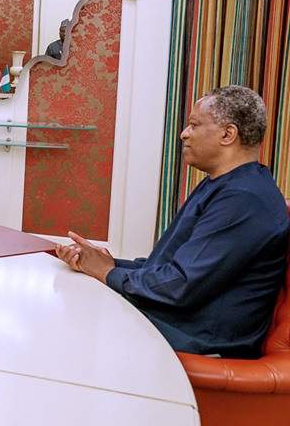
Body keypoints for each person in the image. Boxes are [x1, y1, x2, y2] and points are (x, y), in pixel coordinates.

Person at [55, 85, 288, 358]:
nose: (184, 134)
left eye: (193, 125)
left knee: (71, 323)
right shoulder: (227, 185)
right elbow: (168, 267)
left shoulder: (244, 199)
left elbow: (180, 285)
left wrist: (107, 272)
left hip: (198, 338)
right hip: (181, 320)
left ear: (228, 134)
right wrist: (104, 262)